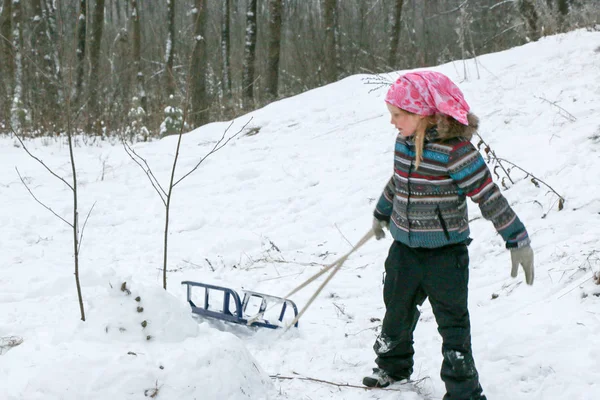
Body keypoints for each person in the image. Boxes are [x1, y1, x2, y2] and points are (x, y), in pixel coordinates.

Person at [363, 71, 535, 400]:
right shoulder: (402, 143)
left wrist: (517, 240)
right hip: (404, 249)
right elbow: (398, 181)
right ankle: (393, 365)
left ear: (423, 113)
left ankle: (464, 392)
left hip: (446, 256)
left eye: (398, 116)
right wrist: (382, 212)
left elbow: (489, 196)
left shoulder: (456, 152)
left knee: (452, 325)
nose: (393, 123)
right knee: (396, 309)